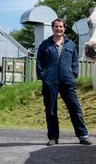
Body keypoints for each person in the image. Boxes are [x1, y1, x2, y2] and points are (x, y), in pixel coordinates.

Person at [36, 18, 92, 146]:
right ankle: (53, 137)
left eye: (61, 27)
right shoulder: (45, 44)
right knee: (50, 109)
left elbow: (74, 62)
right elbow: (39, 62)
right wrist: (42, 76)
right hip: (50, 81)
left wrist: (73, 74)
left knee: (75, 108)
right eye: (56, 26)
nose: (59, 29)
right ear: (53, 28)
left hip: (67, 80)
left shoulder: (70, 44)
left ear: (64, 28)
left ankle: (83, 135)